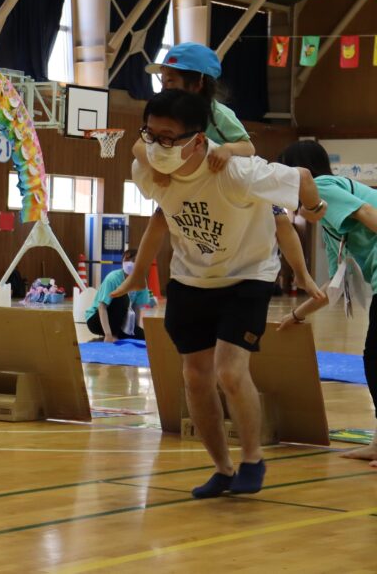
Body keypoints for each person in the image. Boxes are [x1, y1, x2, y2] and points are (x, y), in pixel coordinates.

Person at [114, 89, 325, 498]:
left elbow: (301, 178)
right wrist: (139, 273)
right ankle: (223, 469)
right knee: (195, 378)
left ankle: (252, 459)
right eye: (151, 135)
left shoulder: (236, 172)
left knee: (229, 370)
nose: (158, 146)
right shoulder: (148, 172)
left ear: (197, 140)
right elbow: (161, 218)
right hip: (192, 279)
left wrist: (314, 211)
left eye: (168, 138)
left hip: (247, 275)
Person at [134, 42, 321, 300]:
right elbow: (138, 148)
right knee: (158, 220)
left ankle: (302, 273)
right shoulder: (165, 115)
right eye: (163, 81)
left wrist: (229, 150)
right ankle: (136, 276)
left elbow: (248, 146)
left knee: (278, 218)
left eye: (171, 81)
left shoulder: (218, 114)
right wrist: (156, 166)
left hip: (228, 182)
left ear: (198, 82)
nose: (165, 86)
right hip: (190, 186)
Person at [275, 140, 377, 467]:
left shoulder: (322, 188)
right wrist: (295, 314)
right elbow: (331, 287)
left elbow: (368, 213)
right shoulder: (326, 219)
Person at [86, 249, 149, 342]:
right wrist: (108, 334)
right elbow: (102, 307)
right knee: (122, 297)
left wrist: (134, 328)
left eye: (134, 260)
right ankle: (111, 335)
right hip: (96, 319)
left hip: (121, 320)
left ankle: (111, 335)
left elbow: (137, 308)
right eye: (126, 260)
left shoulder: (141, 282)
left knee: (144, 337)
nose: (130, 263)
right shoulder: (112, 278)